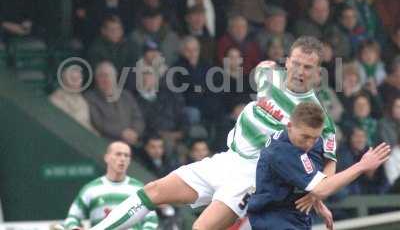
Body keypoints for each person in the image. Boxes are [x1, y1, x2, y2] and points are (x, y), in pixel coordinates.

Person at [86, 36, 338, 230]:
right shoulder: (268, 75)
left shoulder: (315, 114)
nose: (300, 72)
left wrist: (316, 195)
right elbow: (262, 68)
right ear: (288, 60)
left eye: (308, 67)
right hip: (227, 160)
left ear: (318, 71)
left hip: (252, 178)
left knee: (201, 228)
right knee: (153, 191)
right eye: (296, 63)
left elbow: (327, 164)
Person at [248, 102, 390, 230]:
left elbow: (303, 180)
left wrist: (318, 203)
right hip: (274, 220)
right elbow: (321, 188)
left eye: (315, 138)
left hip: (293, 217)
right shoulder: (283, 152)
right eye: (305, 137)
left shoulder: (297, 143)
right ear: (289, 126)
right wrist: (362, 166)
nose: (310, 144)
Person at [63, 141, 158, 230]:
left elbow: (152, 221)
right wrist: (73, 228)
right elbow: (72, 218)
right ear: (107, 157)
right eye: (118, 154)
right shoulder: (91, 189)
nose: (122, 159)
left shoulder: (138, 188)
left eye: (126, 155)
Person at [85, 62, 145, 146]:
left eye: (109, 75)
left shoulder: (126, 95)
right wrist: (122, 133)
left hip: (132, 141)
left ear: (115, 76)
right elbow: (98, 123)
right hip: (107, 142)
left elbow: (138, 117)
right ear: (96, 79)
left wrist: (135, 131)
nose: (106, 79)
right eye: (101, 76)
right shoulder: (90, 97)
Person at [49, 64, 97, 134]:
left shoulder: (82, 100)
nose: (76, 82)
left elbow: (87, 124)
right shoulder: (56, 100)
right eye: (72, 79)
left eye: (79, 78)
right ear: (64, 81)